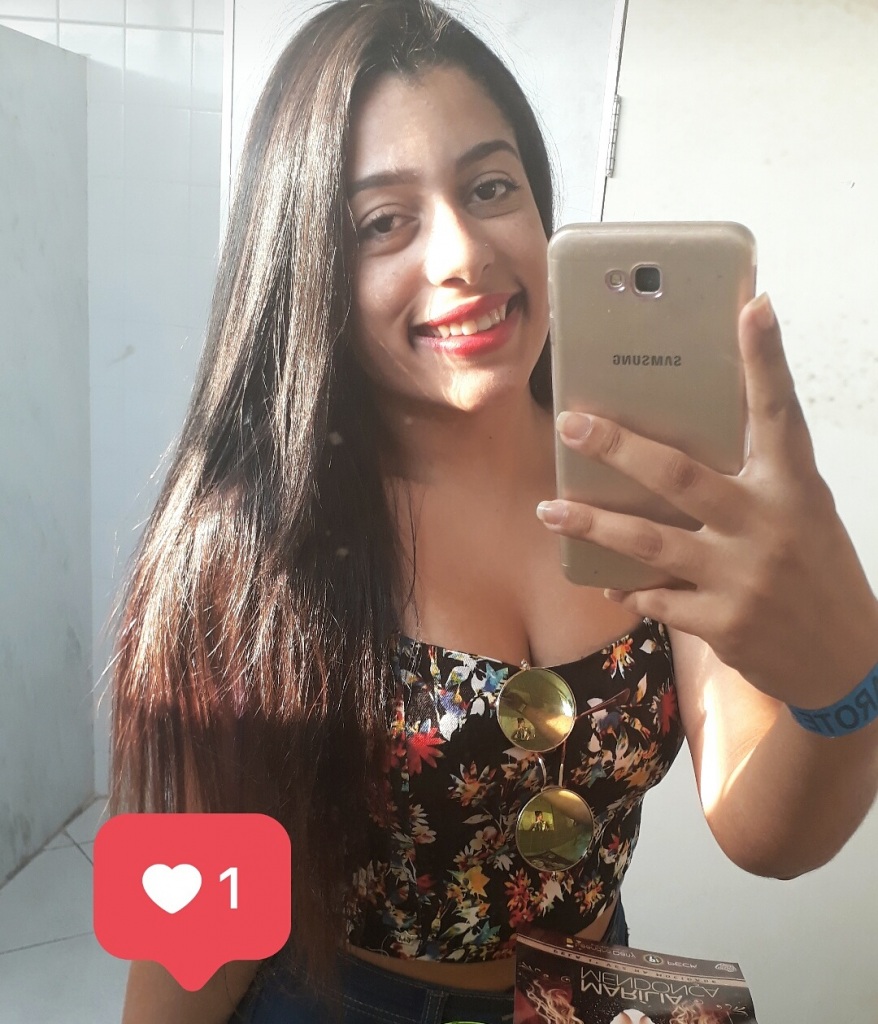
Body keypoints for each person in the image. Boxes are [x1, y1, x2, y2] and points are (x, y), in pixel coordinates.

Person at [112, 1, 878, 1022]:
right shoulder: (254, 541)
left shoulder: (658, 485)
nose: (463, 253)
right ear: (310, 269)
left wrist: (848, 680)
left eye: (489, 187)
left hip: (585, 994)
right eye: (382, 222)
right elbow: (187, 930)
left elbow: (764, 833)